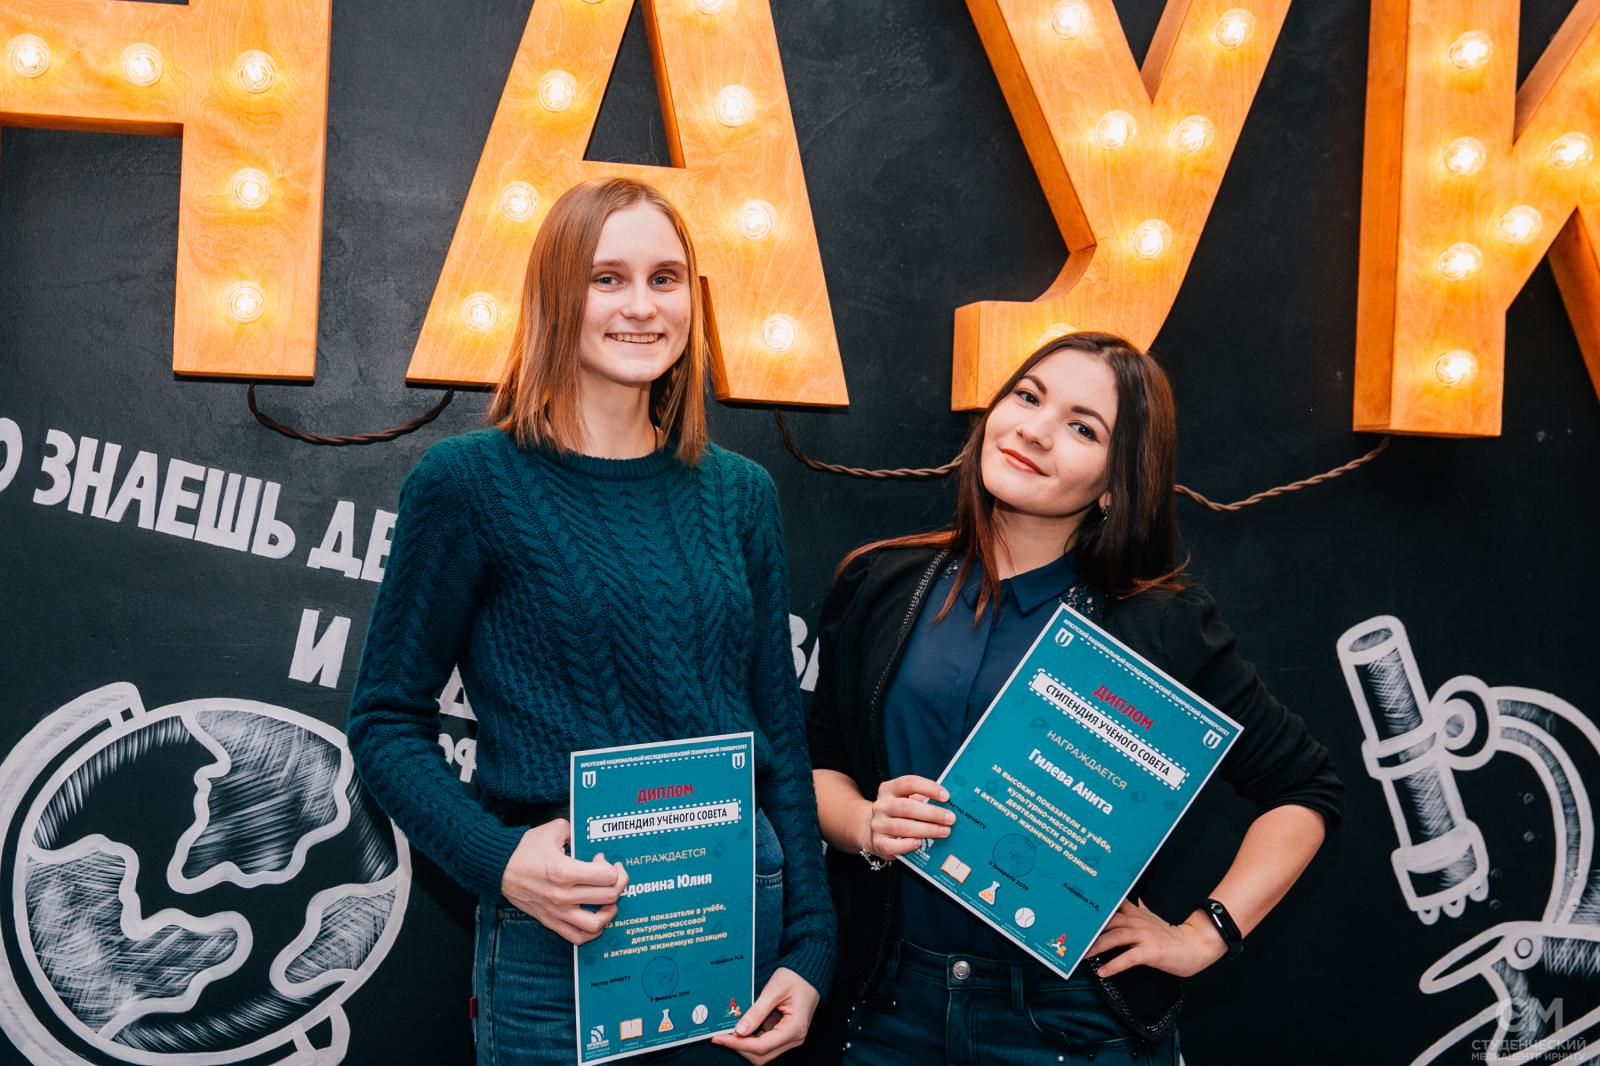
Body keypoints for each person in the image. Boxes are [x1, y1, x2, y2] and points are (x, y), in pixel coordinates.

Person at [346, 177, 834, 1066]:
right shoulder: (469, 484)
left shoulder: (740, 494)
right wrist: (498, 861)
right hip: (559, 936)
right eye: (607, 278)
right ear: (555, 296)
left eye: (665, 279)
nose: (642, 306)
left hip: (735, 920)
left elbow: (781, 733)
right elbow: (383, 720)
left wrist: (810, 946)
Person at [805, 332, 1342, 1064]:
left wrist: (1204, 933)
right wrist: (866, 823)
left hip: (1073, 1022)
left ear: (1117, 484)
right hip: (891, 1008)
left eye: (1083, 428)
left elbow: (1305, 788)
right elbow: (818, 764)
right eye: (1027, 397)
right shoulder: (883, 582)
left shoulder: (1158, 625)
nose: (1034, 430)